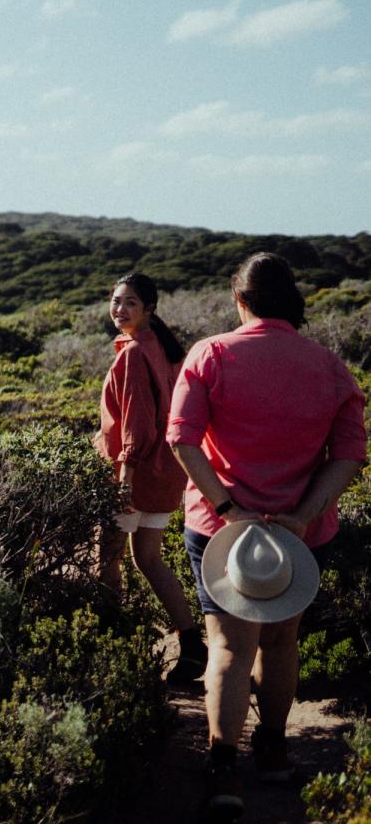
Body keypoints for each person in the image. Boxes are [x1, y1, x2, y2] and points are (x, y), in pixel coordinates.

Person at [167, 252, 366, 818]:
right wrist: (302, 515)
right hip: (298, 538)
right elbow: (350, 454)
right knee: (281, 642)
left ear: (240, 299)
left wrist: (229, 508)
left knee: (228, 647)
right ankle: (273, 751)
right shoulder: (329, 366)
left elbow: (181, 439)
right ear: (292, 301)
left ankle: (223, 768)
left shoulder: (212, 354)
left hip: (221, 532)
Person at [93, 272, 207, 683]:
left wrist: (122, 485)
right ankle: (193, 646)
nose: (119, 309)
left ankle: (109, 651)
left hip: (134, 476)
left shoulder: (134, 354)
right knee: (148, 559)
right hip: (163, 473)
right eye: (116, 300)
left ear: (150, 310)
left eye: (130, 303)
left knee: (107, 559)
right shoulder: (159, 345)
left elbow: (135, 428)